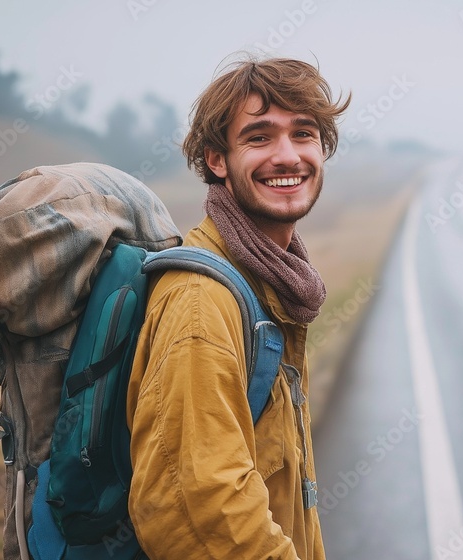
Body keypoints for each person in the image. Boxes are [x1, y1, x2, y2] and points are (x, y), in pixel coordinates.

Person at [126, 56, 349, 559]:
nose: (288, 156)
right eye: (259, 137)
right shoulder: (202, 303)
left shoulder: (272, 281)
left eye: (304, 134)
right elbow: (196, 506)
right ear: (217, 160)